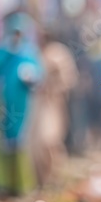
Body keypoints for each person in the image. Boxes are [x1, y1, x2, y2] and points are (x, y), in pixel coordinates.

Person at [0, 12, 42, 197]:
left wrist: (31, 77)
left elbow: (39, 75)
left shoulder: (29, 54)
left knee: (18, 144)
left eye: (19, 33)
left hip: (20, 106)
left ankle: (19, 186)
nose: (16, 37)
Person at [31, 35, 77, 188]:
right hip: (39, 105)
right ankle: (42, 180)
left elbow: (68, 80)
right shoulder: (36, 54)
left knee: (50, 141)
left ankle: (54, 178)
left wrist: (53, 80)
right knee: (38, 145)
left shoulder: (57, 53)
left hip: (54, 105)